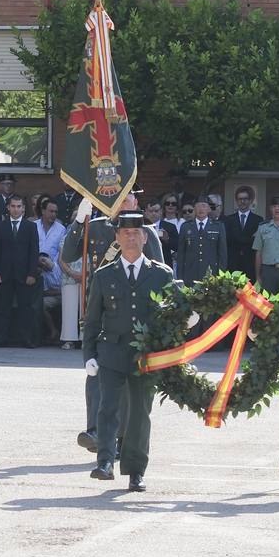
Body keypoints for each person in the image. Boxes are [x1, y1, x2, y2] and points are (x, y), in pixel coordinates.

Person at [62, 191, 164, 449]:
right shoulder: (95, 227)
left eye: (126, 200)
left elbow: (159, 273)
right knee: (95, 370)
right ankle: (96, 431)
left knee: (129, 382)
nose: (121, 205)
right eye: (117, 200)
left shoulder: (145, 231)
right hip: (101, 310)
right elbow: (69, 253)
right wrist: (78, 222)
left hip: (135, 315)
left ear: (136, 203)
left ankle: (121, 437)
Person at [82, 212, 174, 492]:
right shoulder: (104, 275)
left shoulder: (161, 274)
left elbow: (171, 317)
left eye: (136, 233)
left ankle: (135, 470)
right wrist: (89, 355)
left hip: (146, 354)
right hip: (112, 351)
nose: (131, 237)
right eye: (125, 233)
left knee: (139, 414)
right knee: (107, 408)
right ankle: (105, 462)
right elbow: (93, 318)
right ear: (117, 238)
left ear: (145, 238)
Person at [0, 193, 41, 347]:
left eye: (19, 206)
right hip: (4, 273)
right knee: (2, 307)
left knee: (25, 308)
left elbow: (34, 251)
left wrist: (32, 273)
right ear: (8, 208)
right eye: (13, 206)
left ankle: (26, 338)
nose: (16, 209)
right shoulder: (1, 225)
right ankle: (1, 337)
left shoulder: (30, 226)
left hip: (24, 274)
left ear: (24, 209)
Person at [33, 198, 67, 348]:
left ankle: (56, 333)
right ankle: (46, 334)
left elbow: (61, 252)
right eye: (51, 211)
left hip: (54, 270)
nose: (53, 214)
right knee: (37, 302)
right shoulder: (33, 226)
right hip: (35, 269)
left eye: (56, 212)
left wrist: (50, 264)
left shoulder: (61, 229)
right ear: (43, 211)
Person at [177, 196, 227, 283]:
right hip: (190, 273)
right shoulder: (185, 227)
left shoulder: (218, 226)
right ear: (194, 209)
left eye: (204, 206)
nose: (201, 209)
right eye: (198, 206)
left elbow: (222, 254)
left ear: (209, 209)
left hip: (211, 274)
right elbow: (181, 254)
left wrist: (221, 276)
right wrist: (180, 277)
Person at [222, 185, 263, 280]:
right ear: (236, 201)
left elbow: (257, 244)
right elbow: (229, 240)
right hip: (233, 264)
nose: (242, 201)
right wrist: (250, 238)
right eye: (239, 199)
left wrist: (240, 239)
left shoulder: (258, 220)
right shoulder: (228, 220)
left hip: (250, 264)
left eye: (245, 199)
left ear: (250, 200)